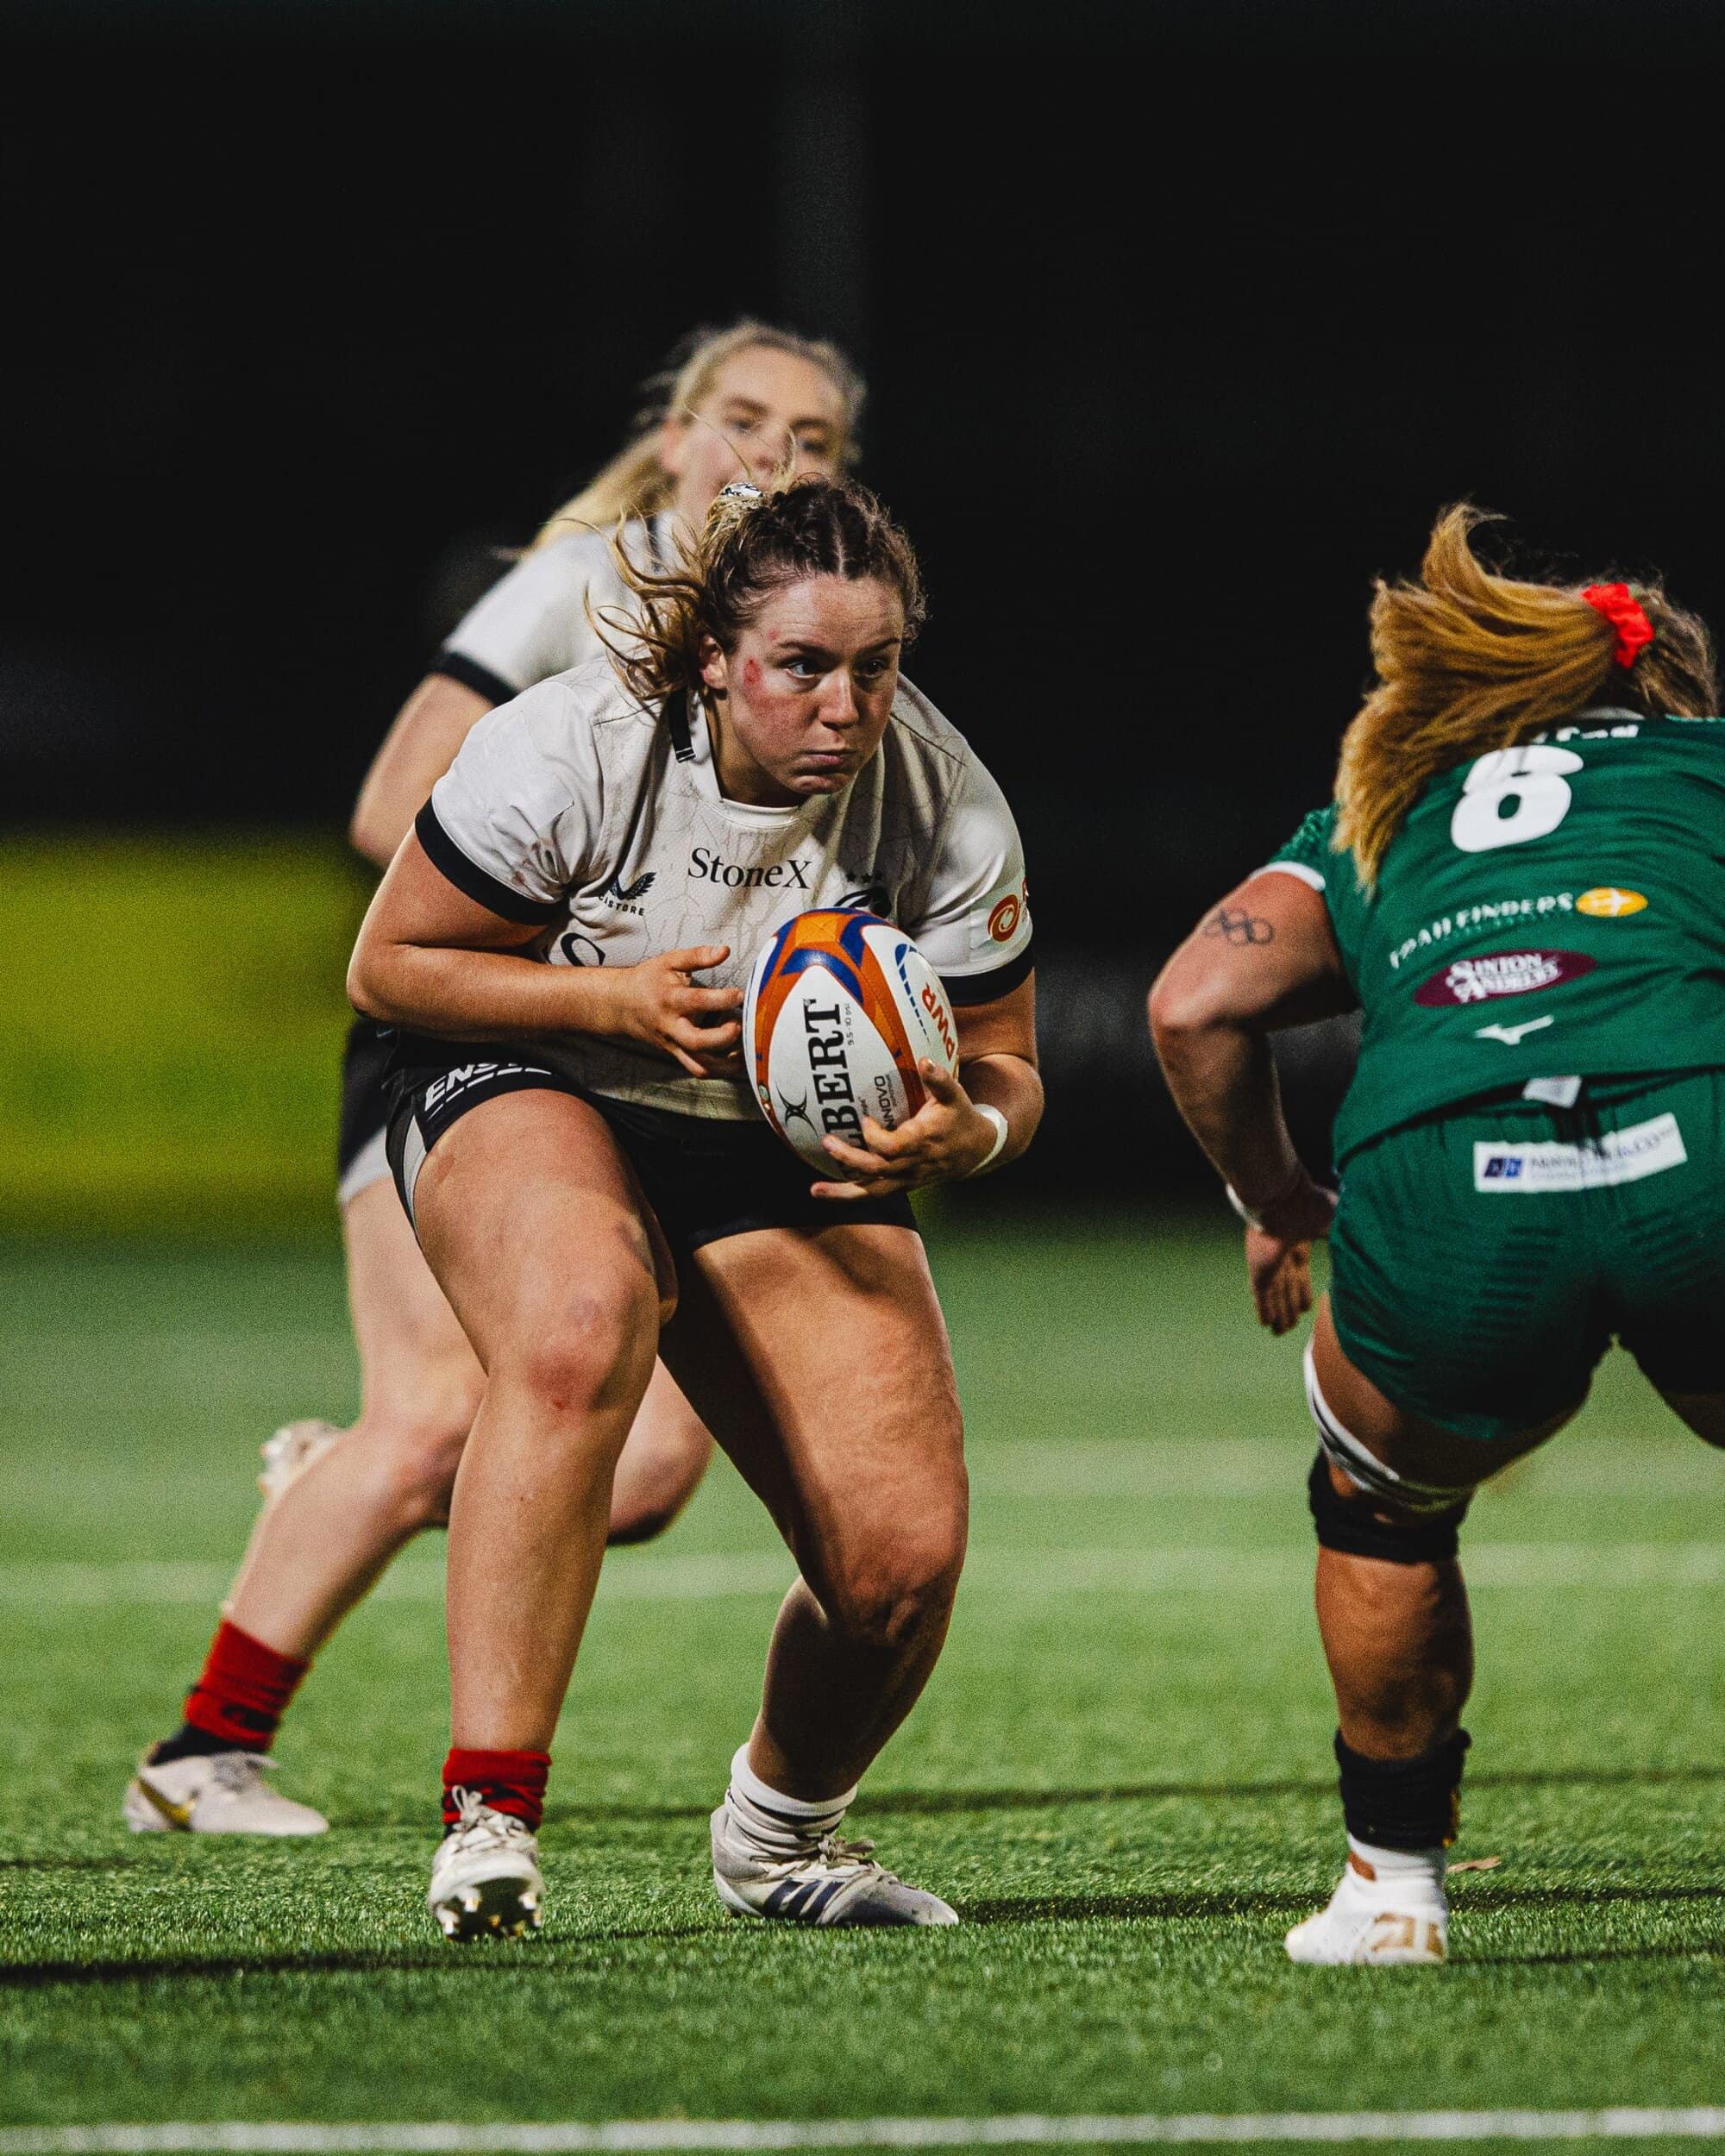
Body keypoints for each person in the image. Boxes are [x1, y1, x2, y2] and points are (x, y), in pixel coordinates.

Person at [123, 323, 863, 1839]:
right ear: (671, 438)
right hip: (465, 1040)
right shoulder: (595, 581)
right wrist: (581, 948)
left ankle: (331, 1489)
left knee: (646, 1468)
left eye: (813, 438)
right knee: (426, 1430)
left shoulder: (805, 630)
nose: (773, 456)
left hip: (633, 1070)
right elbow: (393, 803)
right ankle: (199, 1756)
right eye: (741, 419)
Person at [348, 473, 1040, 1939]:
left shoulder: (941, 794)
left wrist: (965, 1129)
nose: (847, 707)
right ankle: (491, 1816)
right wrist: (603, 999)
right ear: (718, 658)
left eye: (878, 665)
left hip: (762, 1137)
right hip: (533, 1069)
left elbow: (1010, 1066)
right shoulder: (568, 745)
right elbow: (393, 967)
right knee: (580, 1316)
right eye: (804, 666)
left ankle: (780, 1839)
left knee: (899, 1567)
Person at [1149, 505, 1724, 1966]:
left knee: (1380, 1503)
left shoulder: (1390, 804)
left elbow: (1188, 1007)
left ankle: (1393, 1889)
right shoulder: (1704, 774)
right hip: (1695, 1133)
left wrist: (1280, 1204)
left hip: (1447, 1164)